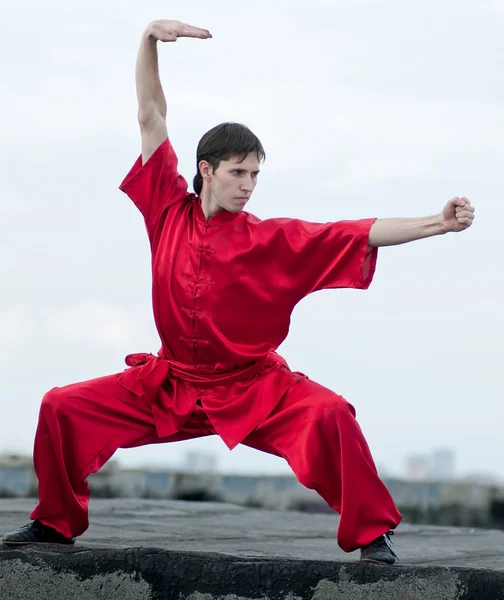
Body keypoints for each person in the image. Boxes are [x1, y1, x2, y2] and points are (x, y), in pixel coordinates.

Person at [2, 20, 475, 565]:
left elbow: (358, 231)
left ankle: (373, 536)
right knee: (61, 406)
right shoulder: (166, 208)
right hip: (169, 382)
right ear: (206, 170)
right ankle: (55, 523)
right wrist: (149, 41)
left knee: (331, 414)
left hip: (254, 388)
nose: (249, 184)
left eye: (255, 174)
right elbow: (149, 115)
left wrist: (436, 223)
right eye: (238, 172)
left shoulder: (271, 238)